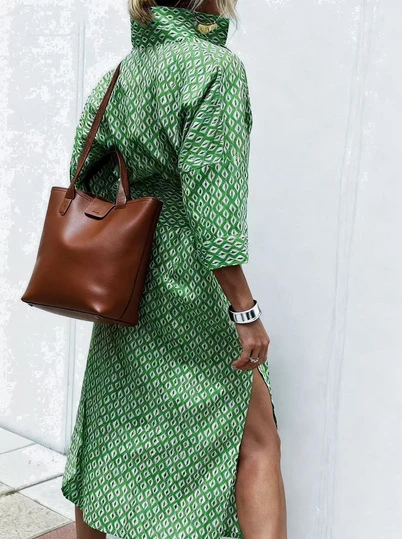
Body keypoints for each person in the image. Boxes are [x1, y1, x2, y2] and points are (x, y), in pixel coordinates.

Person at [60, 1, 287, 538]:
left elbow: (83, 173)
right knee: (255, 440)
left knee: (111, 426)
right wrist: (245, 310)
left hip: (127, 278)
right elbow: (213, 201)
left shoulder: (121, 75)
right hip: (190, 280)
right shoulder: (215, 68)